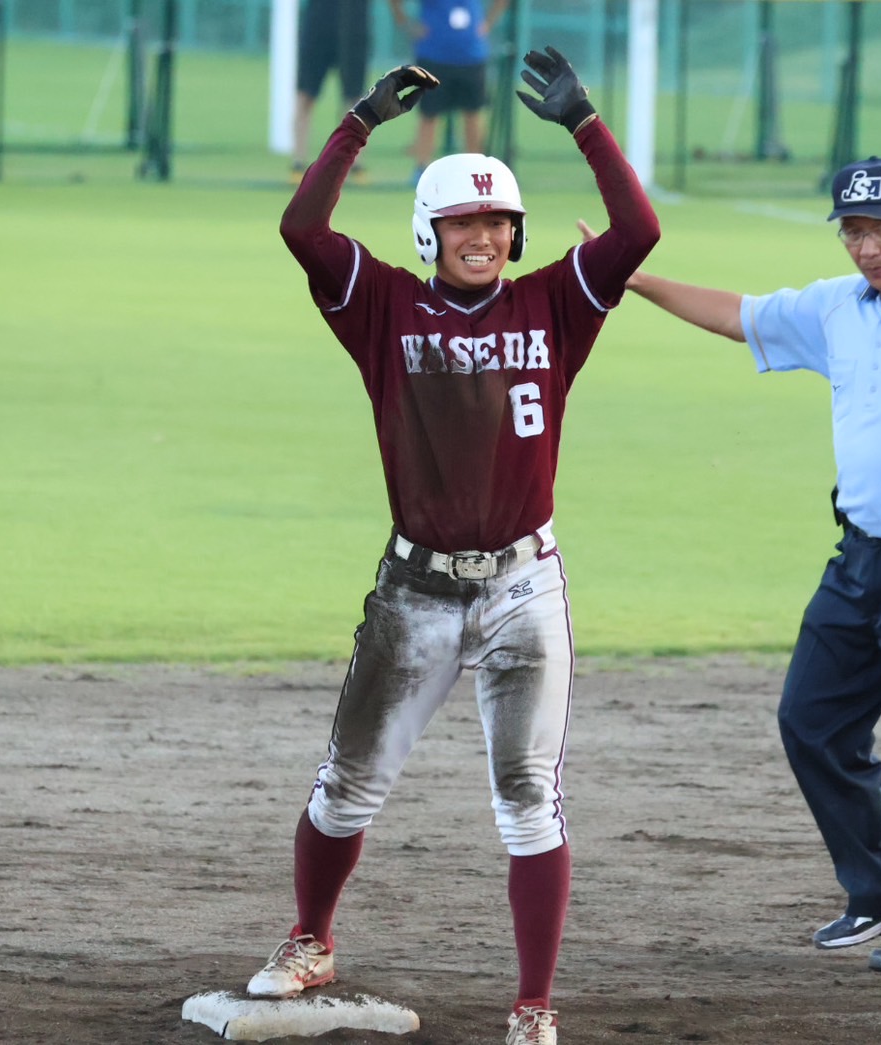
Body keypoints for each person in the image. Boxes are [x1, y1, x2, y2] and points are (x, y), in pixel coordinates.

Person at [251, 47, 659, 1045]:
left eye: (496, 222)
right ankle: (310, 936)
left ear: (516, 234)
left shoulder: (553, 302)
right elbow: (300, 228)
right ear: (428, 231)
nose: (481, 236)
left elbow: (638, 230)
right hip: (415, 589)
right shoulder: (383, 303)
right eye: (462, 221)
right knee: (347, 784)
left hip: (525, 583)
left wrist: (586, 124)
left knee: (529, 799)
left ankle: (531, 1005)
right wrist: (354, 124)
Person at [580, 156, 881, 973]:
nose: (867, 246)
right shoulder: (835, 307)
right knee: (809, 719)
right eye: (852, 230)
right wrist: (633, 277)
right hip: (858, 558)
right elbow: (738, 314)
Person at [387, 0, 509, 181]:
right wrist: (406, 23)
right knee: (429, 114)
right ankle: (421, 171)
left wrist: (488, 24)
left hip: (472, 56)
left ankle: (476, 172)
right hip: (433, 55)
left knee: (473, 114)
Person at [290, 0, 372, 183]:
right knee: (306, 94)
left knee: (354, 98)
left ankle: (355, 163)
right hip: (319, 20)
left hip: (354, 22)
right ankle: (298, 161)